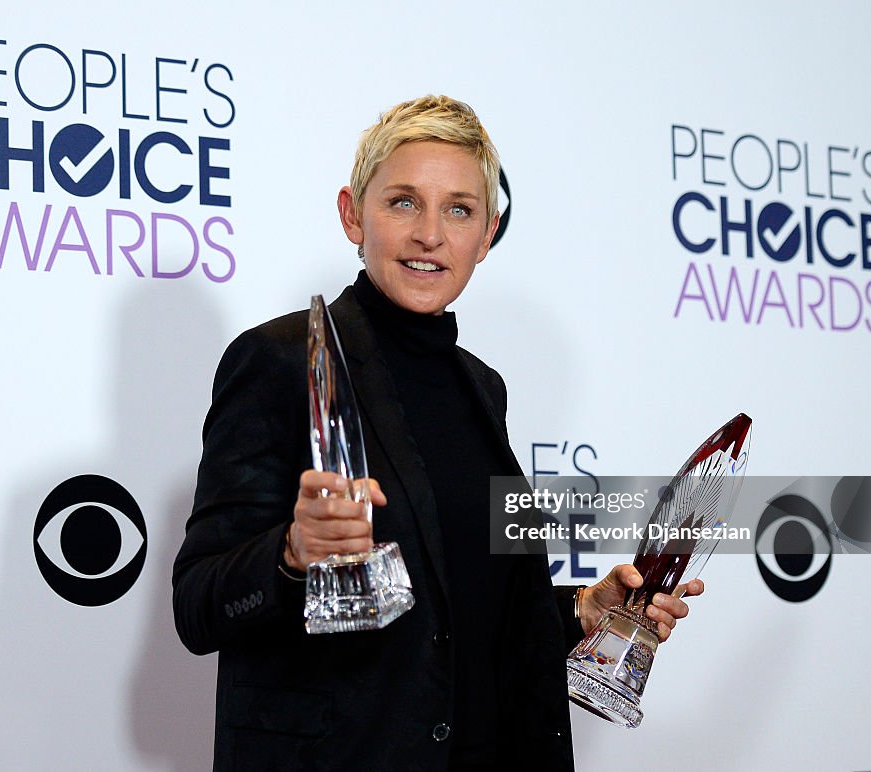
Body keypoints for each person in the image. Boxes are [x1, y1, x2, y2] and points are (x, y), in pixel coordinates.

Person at [172, 95, 702, 770]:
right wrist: (292, 553)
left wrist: (583, 611)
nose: (430, 233)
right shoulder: (280, 361)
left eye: (459, 209)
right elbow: (198, 607)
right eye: (402, 202)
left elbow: (465, 612)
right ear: (351, 214)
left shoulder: (481, 387)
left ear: (487, 234)